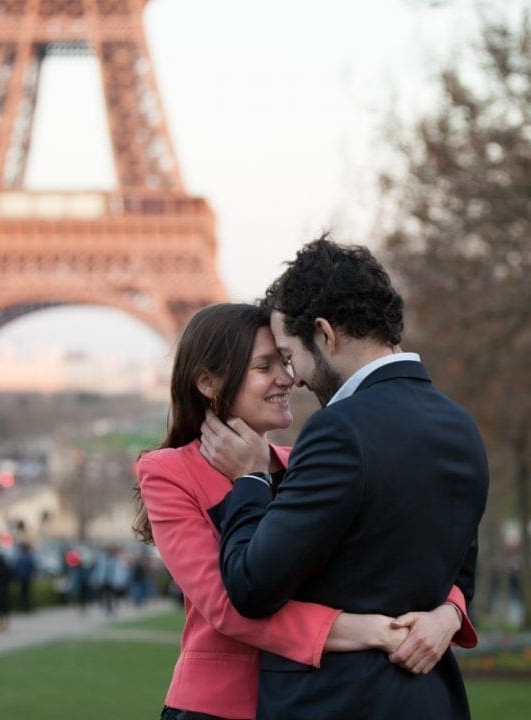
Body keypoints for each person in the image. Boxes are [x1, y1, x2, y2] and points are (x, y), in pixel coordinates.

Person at [136, 302, 478, 720]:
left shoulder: (311, 460)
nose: (288, 378)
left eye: (284, 361)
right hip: (220, 707)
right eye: (264, 367)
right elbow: (227, 605)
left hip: (313, 699)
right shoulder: (169, 472)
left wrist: (449, 612)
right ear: (208, 382)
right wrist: (370, 631)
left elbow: (407, 547)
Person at [203, 237, 489, 719]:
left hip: (336, 702)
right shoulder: (461, 427)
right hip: (430, 700)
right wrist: (448, 614)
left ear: (325, 334)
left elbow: (252, 586)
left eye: (291, 356)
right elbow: (460, 573)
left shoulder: (339, 430)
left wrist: (250, 478)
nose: (292, 378)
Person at [13, 541, 36, 613]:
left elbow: (16, 568)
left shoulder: (19, 557)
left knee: (23, 593)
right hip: (27, 577)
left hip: (21, 577)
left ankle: (23, 607)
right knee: (27, 593)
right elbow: (32, 567)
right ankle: (27, 607)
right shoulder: (28, 556)